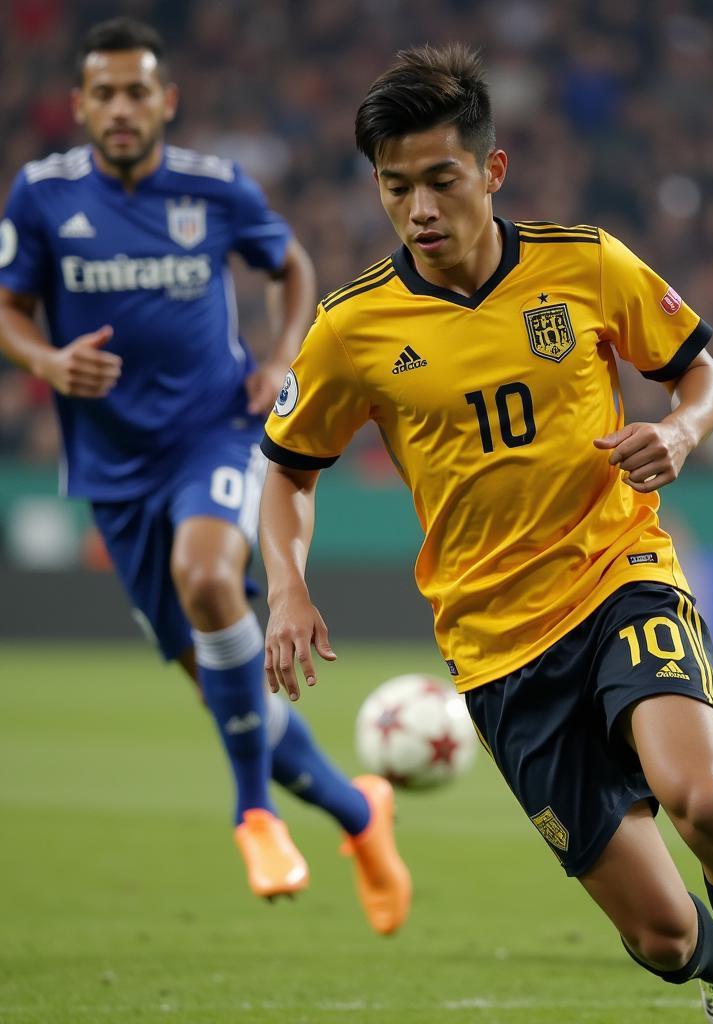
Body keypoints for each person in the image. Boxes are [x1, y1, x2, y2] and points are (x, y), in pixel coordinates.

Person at [260, 44, 713, 1024]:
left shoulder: (584, 262)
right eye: (396, 189)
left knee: (703, 802)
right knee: (660, 938)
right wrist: (286, 587)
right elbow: (286, 471)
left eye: (440, 180)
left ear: (491, 169)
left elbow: (703, 375)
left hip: (617, 572)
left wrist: (680, 432)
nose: (420, 210)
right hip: (495, 648)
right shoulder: (351, 329)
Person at [0, 17, 410, 932]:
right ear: (79, 106)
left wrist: (282, 356)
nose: (119, 108)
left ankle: (252, 813)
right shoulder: (40, 195)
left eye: (136, 91)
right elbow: (9, 308)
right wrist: (46, 363)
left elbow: (291, 264)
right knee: (227, 691)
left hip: (216, 433)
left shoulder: (213, 187)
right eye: (102, 93)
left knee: (208, 575)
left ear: (165, 101)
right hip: (112, 469)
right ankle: (357, 813)